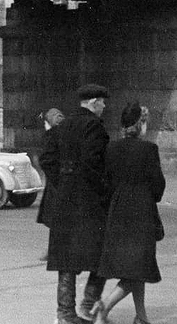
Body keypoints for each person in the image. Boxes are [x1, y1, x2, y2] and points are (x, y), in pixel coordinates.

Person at [42, 83, 110, 324]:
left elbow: (47, 159)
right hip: (89, 202)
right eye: (102, 102)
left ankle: (65, 314)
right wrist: (102, 191)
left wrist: (62, 183)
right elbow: (96, 164)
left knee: (66, 262)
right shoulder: (95, 127)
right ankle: (87, 305)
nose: (104, 106)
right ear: (93, 103)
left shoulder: (63, 125)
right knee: (102, 254)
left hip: (64, 201)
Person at [96, 103, 165, 324]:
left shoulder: (111, 148)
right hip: (141, 214)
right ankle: (104, 307)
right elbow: (158, 187)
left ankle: (142, 318)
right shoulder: (149, 150)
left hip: (117, 213)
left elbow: (105, 183)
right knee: (138, 267)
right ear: (140, 124)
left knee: (136, 268)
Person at [35, 107, 65, 236]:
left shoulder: (50, 137)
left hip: (54, 182)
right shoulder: (66, 135)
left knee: (54, 217)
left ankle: (54, 251)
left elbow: (46, 160)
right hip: (64, 180)